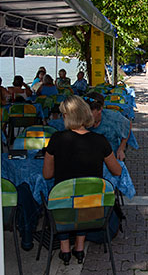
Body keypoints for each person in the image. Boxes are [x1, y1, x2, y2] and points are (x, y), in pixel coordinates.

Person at [43, 95, 121, 265]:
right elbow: (117, 170)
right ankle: (79, 248)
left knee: (64, 196)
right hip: (92, 211)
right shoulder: (100, 141)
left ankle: (65, 250)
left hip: (63, 209)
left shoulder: (56, 139)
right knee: (84, 195)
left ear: (67, 116)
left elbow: (47, 175)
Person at [84, 92, 132, 160]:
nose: (86, 115)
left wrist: (121, 149)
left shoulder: (113, 118)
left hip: (111, 156)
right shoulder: (80, 118)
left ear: (100, 109)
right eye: (84, 112)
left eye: (90, 112)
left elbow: (128, 124)